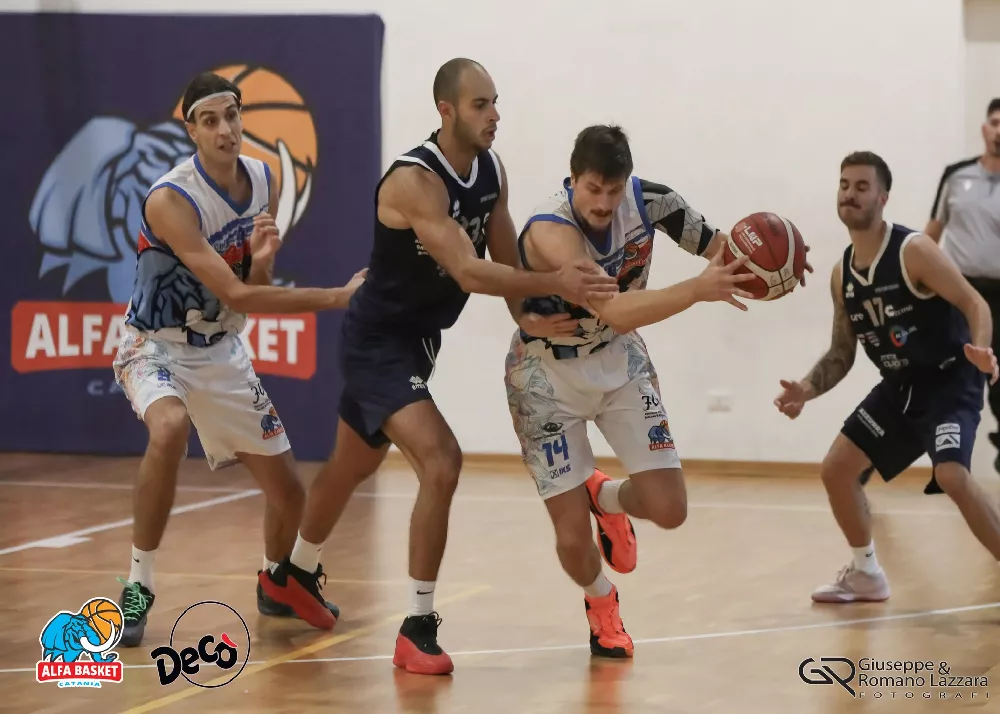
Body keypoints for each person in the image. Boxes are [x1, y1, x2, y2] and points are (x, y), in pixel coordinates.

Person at [258, 58, 619, 674]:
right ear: (446, 111)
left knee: (352, 463)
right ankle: (417, 628)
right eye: (481, 104)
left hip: (418, 340)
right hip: (377, 341)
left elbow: (500, 245)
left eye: (496, 102)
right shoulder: (413, 182)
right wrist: (556, 277)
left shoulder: (490, 168)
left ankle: (290, 575)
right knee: (442, 462)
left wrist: (526, 313)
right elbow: (470, 269)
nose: (495, 114)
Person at [503, 124, 797, 658]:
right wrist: (695, 290)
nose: (603, 203)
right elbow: (613, 307)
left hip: (619, 360)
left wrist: (780, 267)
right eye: (593, 189)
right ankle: (602, 600)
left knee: (669, 509)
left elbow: (724, 251)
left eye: (613, 192)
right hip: (546, 376)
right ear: (573, 181)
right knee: (572, 541)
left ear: (627, 183)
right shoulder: (552, 230)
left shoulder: (656, 203)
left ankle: (605, 496)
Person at [112, 71, 364, 646]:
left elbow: (254, 282)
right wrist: (336, 297)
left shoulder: (262, 177)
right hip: (156, 346)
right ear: (191, 131)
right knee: (170, 427)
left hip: (221, 350)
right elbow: (240, 295)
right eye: (210, 120)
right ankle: (138, 585)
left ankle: (277, 582)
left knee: (290, 491)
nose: (226, 129)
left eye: (232, 115)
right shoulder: (171, 200)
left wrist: (264, 258)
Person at [774, 151, 1000, 604]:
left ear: (882, 196)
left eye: (861, 186)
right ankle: (866, 573)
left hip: (950, 380)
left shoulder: (913, 250)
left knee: (952, 475)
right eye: (844, 185)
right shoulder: (842, 274)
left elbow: (975, 302)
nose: (850, 194)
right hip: (899, 388)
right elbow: (842, 353)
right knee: (837, 470)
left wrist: (982, 349)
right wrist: (806, 388)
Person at [926, 98, 1000, 471]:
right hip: (960, 293)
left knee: (997, 374)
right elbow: (931, 234)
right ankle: (947, 461)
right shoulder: (956, 176)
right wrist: (917, 280)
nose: (999, 131)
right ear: (984, 128)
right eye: (995, 122)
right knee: (952, 373)